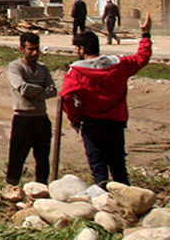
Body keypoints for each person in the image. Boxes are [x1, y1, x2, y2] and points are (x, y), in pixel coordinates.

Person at [60, 14, 152, 186]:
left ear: (81, 49)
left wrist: (74, 117)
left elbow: (66, 96)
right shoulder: (119, 64)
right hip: (116, 123)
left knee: (98, 168)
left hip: (92, 124)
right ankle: (127, 200)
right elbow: (142, 57)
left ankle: (105, 202)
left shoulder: (76, 72)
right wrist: (145, 35)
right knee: (119, 167)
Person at [4, 32, 57, 196]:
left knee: (42, 158)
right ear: (21, 49)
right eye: (30, 49)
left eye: (36, 49)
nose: (34, 53)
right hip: (23, 118)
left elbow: (53, 90)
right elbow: (23, 89)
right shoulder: (15, 67)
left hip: (41, 119)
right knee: (17, 158)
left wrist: (36, 92)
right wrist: (41, 91)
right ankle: (10, 190)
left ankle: (42, 189)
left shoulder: (43, 69)